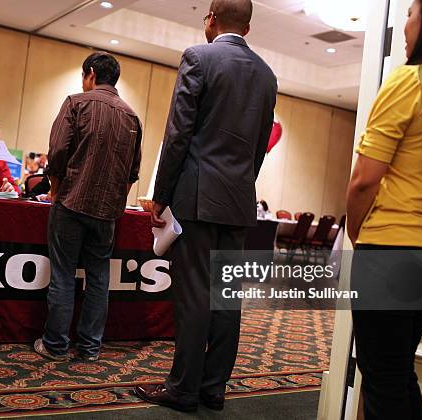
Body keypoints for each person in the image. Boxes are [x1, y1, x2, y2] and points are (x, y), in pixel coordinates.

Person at [135, 0, 277, 412]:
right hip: (238, 200)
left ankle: (182, 389)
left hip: (197, 196)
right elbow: (260, 145)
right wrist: (241, 184)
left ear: (211, 20)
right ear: (247, 30)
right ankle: (214, 388)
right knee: (225, 295)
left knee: (195, 294)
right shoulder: (267, 75)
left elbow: (179, 133)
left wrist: (161, 196)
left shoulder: (199, 57)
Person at [346, 0, 422, 418]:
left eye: (410, 13)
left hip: (391, 246)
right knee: (397, 373)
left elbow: (364, 180)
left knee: (381, 376)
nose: (405, 23)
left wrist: (356, 233)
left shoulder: (410, 81)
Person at [34, 52, 142, 362]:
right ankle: (91, 348)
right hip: (107, 213)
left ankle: (54, 346)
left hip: (70, 202)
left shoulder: (75, 103)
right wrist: (115, 203)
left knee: (64, 275)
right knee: (98, 279)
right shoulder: (131, 116)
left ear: (90, 74)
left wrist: (55, 190)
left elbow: (56, 153)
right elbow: (132, 173)